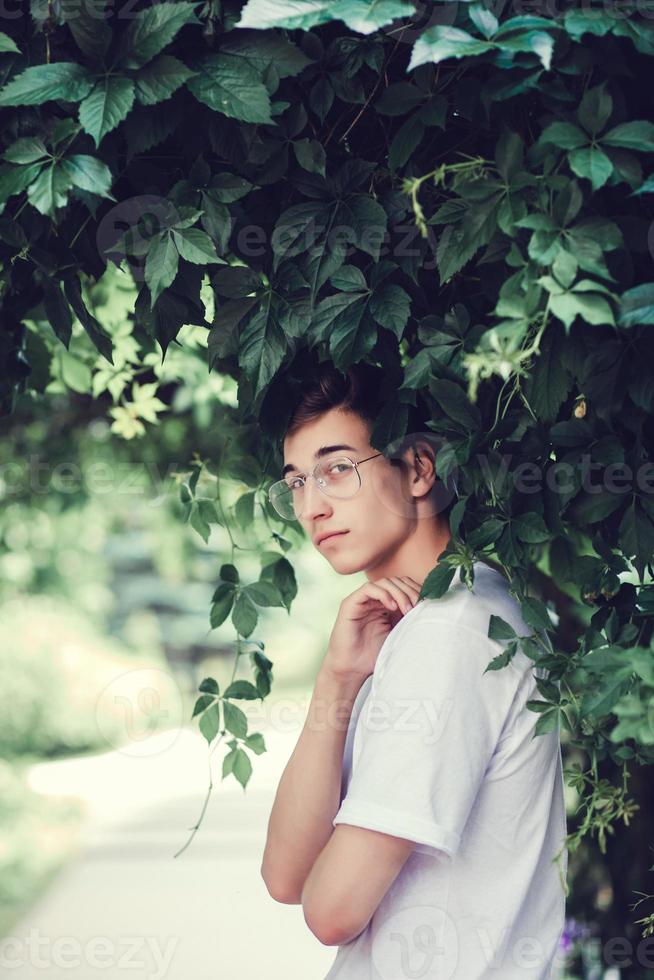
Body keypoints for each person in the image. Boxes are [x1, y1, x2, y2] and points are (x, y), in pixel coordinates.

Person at [260, 360, 568, 979]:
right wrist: (337, 681)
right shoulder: (424, 623)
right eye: (296, 481)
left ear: (420, 469)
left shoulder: (449, 632)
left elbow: (332, 912)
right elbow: (286, 875)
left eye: (337, 469)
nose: (311, 507)